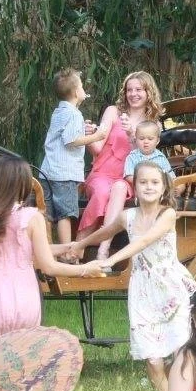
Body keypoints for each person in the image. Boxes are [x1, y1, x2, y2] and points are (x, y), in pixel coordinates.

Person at [71, 161, 196, 391]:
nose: (148, 187)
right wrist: (81, 244)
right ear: (134, 186)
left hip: (171, 287)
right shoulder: (127, 216)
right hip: (143, 292)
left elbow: (145, 241)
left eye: (154, 182)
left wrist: (112, 259)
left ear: (163, 188)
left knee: (182, 350)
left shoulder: (167, 214)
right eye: (143, 182)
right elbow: (105, 232)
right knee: (153, 359)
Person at [0, 155, 102, 349]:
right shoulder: (31, 217)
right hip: (23, 299)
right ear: (23, 184)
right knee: (19, 361)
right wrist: (86, 269)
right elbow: (48, 266)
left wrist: (67, 247)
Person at [77, 71, 163, 261]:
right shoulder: (113, 112)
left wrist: (133, 136)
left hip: (129, 176)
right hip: (103, 172)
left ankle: (101, 249)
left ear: (149, 92)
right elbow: (98, 149)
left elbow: (148, 157)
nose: (133, 94)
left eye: (139, 89)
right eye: (129, 90)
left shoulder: (153, 123)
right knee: (101, 193)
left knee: (119, 188)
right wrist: (88, 135)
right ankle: (79, 245)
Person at [39, 68, 107, 250]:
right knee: (65, 215)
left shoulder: (59, 111)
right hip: (65, 174)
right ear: (77, 92)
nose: (84, 90)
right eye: (82, 86)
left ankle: (47, 250)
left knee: (47, 212)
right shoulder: (75, 114)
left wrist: (81, 129)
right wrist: (96, 137)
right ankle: (66, 251)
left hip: (48, 171)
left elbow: (65, 135)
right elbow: (71, 141)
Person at [123, 120, 175, 186]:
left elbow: (170, 175)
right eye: (141, 139)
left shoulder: (160, 157)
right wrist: (144, 182)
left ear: (157, 141)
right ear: (136, 139)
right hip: (140, 190)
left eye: (150, 139)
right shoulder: (132, 157)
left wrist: (174, 185)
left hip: (158, 189)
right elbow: (129, 176)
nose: (146, 142)